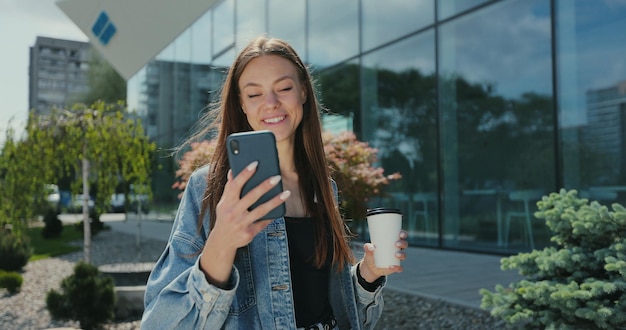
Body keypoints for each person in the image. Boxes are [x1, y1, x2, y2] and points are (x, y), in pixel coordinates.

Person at [141, 35, 409, 330]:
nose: (271, 103)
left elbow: (331, 309)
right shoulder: (208, 187)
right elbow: (160, 322)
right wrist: (222, 242)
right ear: (241, 104)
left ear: (304, 92)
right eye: (254, 94)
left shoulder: (323, 188)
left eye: (283, 88)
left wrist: (368, 274)